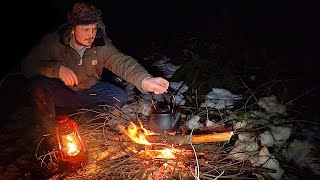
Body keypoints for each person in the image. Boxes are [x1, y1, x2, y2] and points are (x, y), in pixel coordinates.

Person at [21, 1, 169, 134]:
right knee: (38, 86)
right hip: (62, 91)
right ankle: (48, 133)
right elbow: (28, 65)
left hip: (90, 91)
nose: (91, 34)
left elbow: (121, 62)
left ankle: (85, 125)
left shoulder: (100, 44)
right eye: (86, 29)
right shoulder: (53, 42)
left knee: (119, 96)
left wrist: (145, 80)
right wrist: (56, 69)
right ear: (72, 28)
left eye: (94, 29)